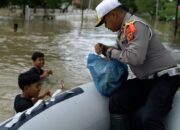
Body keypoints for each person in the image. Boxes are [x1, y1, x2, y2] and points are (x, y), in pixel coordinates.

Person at [94, 0, 180, 130]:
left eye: (105, 22)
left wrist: (110, 52)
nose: (106, 26)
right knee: (117, 101)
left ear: (114, 15)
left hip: (165, 78)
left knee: (148, 118)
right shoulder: (124, 30)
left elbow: (135, 58)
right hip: (147, 80)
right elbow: (120, 51)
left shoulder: (135, 25)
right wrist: (105, 49)